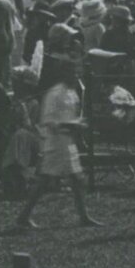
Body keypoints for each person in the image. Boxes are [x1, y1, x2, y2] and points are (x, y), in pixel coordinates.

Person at [20, 52, 100, 228]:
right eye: (73, 72)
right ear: (64, 73)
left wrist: (76, 126)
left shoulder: (73, 93)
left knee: (77, 180)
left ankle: (83, 216)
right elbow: (48, 122)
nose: (76, 75)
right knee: (45, 181)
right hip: (56, 142)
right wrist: (73, 125)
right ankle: (24, 216)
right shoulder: (54, 94)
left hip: (67, 142)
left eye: (77, 71)